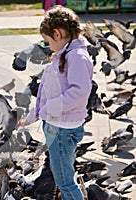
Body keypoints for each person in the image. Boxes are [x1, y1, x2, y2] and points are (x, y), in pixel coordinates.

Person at [18, 5, 93, 200]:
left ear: (58, 34)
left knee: (65, 181)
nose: (48, 46)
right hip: (58, 126)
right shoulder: (65, 53)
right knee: (62, 176)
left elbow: (80, 92)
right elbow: (47, 91)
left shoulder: (76, 56)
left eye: (48, 41)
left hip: (62, 129)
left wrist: (49, 109)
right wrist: (34, 115)